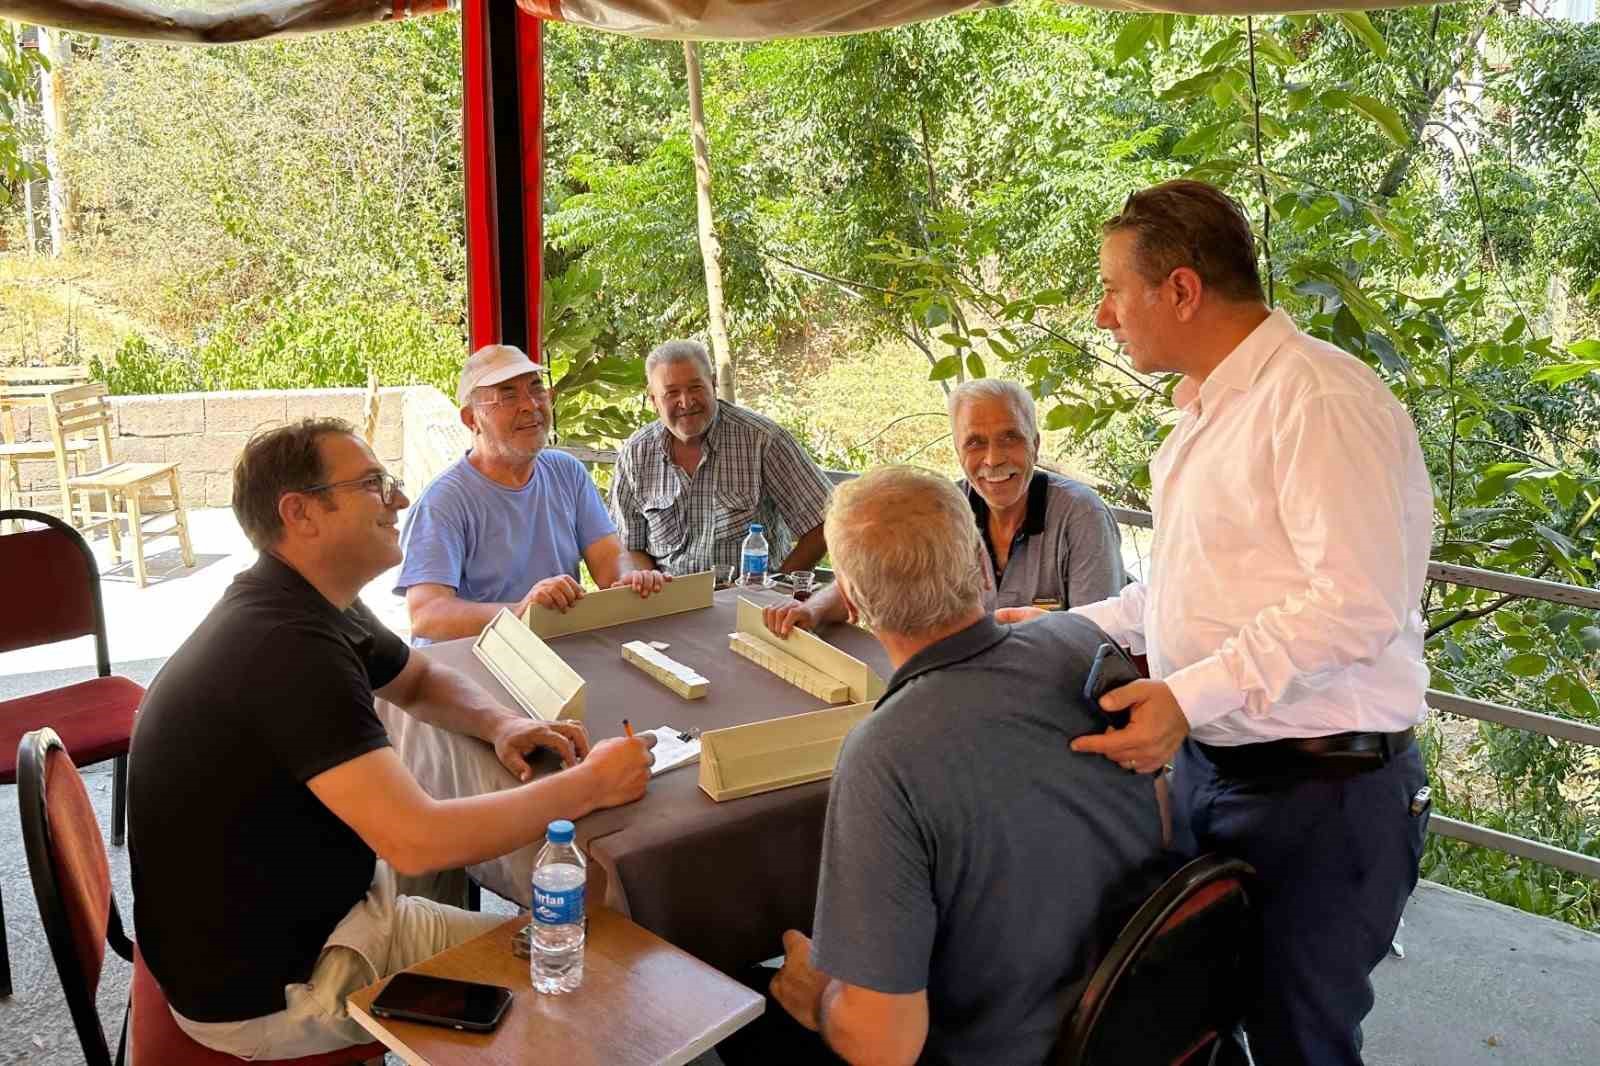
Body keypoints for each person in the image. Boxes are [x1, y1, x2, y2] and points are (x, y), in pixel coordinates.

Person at [1019, 179, 1433, 1066]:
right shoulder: (1212, 409)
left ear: (1180, 290)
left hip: (1324, 796)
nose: (1102, 316)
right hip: (1223, 772)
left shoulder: (1317, 400)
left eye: (1115, 290)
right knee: (1205, 1017)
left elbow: (1355, 604)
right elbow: (1177, 597)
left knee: (1300, 1039)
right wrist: (1043, 629)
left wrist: (1187, 695)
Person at [130, 418, 657, 1058]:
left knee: (540, 925)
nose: (400, 501)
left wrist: (502, 723)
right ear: (300, 513)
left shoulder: (304, 600)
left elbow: (415, 678)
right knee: (583, 977)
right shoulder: (288, 648)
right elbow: (417, 840)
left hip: (287, 916)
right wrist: (591, 783)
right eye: (374, 485)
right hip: (284, 983)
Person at [740, 466, 1163, 1065]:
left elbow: (882, 1044)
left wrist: (819, 995)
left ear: (854, 603)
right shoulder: (1079, 644)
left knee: (744, 1009)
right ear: (975, 564)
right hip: (1149, 1013)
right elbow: (1160, 814)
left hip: (1007, 1048)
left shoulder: (883, 754)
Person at [763, 378, 1123, 637]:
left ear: (1035, 444)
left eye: (1010, 438)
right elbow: (870, 577)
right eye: (975, 443)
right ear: (957, 451)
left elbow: (1097, 639)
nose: (993, 459)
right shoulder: (943, 507)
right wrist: (811, 609)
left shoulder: (1081, 514)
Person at [397, 344, 669, 644]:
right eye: (508, 394)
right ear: (471, 419)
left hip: (549, 650)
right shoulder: (444, 501)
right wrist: (521, 611)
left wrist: (628, 579)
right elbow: (427, 615)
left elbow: (610, 560)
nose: (530, 405)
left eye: (537, 389)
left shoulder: (566, 472)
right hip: (472, 665)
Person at [611, 339, 833, 577]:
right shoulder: (636, 453)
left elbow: (825, 520)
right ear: (654, 399)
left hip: (748, 601)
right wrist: (649, 584)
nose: (686, 402)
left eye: (695, 387)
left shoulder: (762, 440)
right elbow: (627, 545)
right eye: (671, 392)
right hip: (668, 603)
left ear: (713, 384)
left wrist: (778, 587)